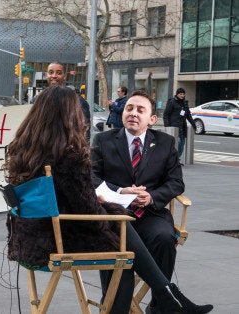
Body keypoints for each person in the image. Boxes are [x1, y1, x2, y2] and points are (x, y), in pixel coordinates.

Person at [5, 86, 213, 314]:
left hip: (33, 235)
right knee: (119, 236)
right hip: (62, 235)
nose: (81, 116)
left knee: (133, 233)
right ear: (67, 116)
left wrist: (134, 200)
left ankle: (163, 298)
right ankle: (163, 297)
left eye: (139, 109)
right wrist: (113, 203)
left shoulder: (21, 150)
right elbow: (87, 207)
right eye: (77, 110)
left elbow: (174, 183)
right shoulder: (71, 154)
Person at [91, 89, 213, 313]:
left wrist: (151, 197)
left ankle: (159, 307)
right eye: (129, 108)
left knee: (165, 237)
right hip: (114, 215)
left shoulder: (165, 142)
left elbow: (176, 183)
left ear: (152, 119)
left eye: (140, 110)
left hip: (150, 213)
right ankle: (155, 301)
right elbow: (91, 178)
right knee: (119, 252)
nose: (133, 113)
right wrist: (120, 191)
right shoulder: (103, 140)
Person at [163, 87, 196, 161]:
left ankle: (176, 159)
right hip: (174, 127)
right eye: (180, 94)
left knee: (181, 144)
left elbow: (188, 115)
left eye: (183, 94)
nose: (182, 95)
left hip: (182, 127)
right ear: (177, 94)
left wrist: (193, 125)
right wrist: (167, 126)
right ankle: (173, 160)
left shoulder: (185, 103)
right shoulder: (172, 102)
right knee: (176, 144)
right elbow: (166, 115)